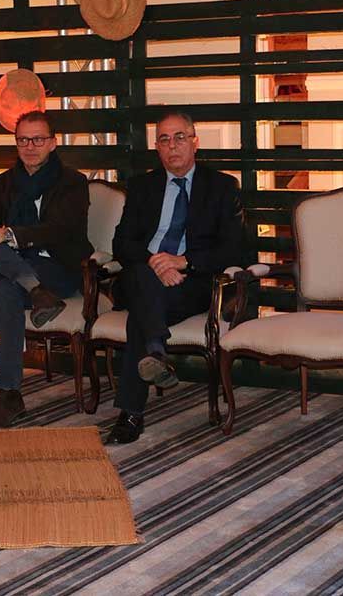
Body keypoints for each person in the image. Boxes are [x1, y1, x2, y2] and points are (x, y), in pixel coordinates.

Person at [104, 110, 244, 444]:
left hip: (190, 284)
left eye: (179, 137)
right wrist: (156, 263)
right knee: (142, 279)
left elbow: (234, 249)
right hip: (144, 275)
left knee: (141, 313)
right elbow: (122, 243)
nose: (172, 146)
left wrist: (183, 262)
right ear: (157, 148)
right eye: (164, 140)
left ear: (195, 142)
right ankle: (155, 351)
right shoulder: (142, 186)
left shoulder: (222, 186)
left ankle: (132, 411)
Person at [0, 110, 92, 429]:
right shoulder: (4, 183)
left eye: (38, 140)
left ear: (53, 143)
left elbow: (59, 230)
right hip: (23, 271)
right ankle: (34, 289)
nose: (30, 146)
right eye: (23, 140)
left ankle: (8, 395)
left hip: (58, 268)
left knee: (4, 283)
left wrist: (7, 235)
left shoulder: (73, 182)